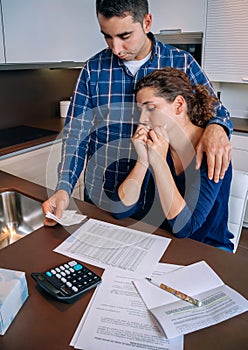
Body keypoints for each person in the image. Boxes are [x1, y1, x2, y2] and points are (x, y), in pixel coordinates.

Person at [42, 0, 232, 227]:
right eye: (107, 36)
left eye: (124, 36)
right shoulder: (93, 70)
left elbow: (217, 111)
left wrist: (216, 128)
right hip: (106, 196)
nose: (116, 49)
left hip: (160, 203)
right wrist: (64, 188)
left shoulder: (182, 62)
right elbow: (76, 135)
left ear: (147, 22)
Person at [112, 67, 234, 252]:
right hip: (163, 242)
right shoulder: (159, 144)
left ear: (179, 104)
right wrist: (143, 160)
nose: (143, 119)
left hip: (208, 249)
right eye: (140, 111)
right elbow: (121, 210)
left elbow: (185, 227)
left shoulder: (213, 149)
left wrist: (159, 161)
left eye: (151, 108)